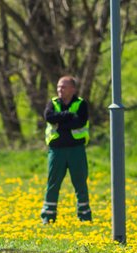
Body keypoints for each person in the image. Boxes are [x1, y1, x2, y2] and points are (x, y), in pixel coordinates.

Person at [41, 75, 92, 223]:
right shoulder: (53, 103)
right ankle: (48, 217)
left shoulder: (81, 104)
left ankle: (84, 217)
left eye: (63, 87)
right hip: (57, 150)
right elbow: (49, 117)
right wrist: (68, 116)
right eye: (58, 87)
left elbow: (80, 121)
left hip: (76, 150)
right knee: (53, 183)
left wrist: (61, 123)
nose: (59, 90)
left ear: (73, 89)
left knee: (80, 183)